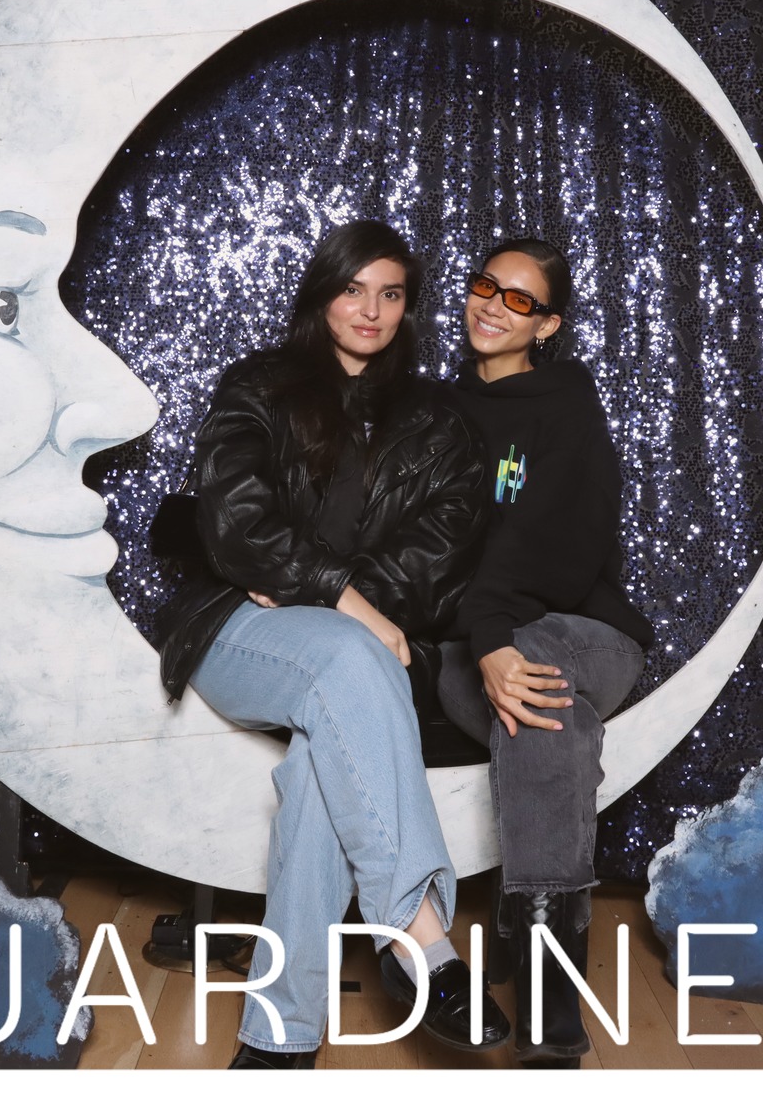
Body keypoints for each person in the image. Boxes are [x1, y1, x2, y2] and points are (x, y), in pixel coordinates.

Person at [157, 220, 511, 1068]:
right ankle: (421, 939)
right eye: (354, 290)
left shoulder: (440, 423)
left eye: (390, 294)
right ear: (324, 294)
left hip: (356, 661)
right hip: (239, 632)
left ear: (408, 308)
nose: (370, 310)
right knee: (355, 658)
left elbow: (437, 563)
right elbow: (235, 523)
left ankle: (277, 1044)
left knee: (328, 757)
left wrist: (313, 587)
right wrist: (344, 597)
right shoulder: (258, 386)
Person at [438, 237, 654, 1069]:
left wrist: (496, 635)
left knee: (540, 673)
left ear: (548, 325)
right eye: (487, 286)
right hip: (475, 647)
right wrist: (485, 641)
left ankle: (539, 969)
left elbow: (558, 548)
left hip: (585, 631)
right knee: (545, 702)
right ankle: (547, 978)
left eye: (521, 300)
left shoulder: (569, 410)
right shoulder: (432, 413)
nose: (495, 306)